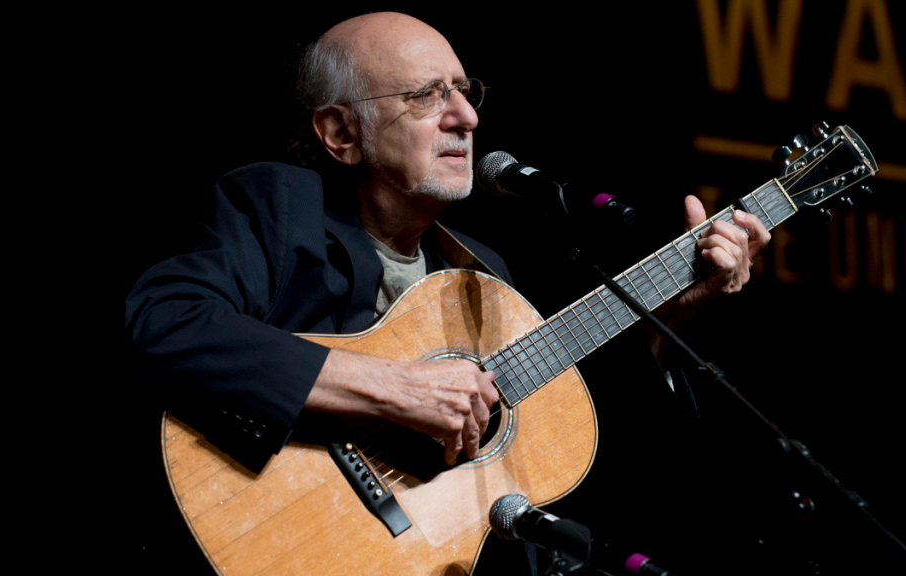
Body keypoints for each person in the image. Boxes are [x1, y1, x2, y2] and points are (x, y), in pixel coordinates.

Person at [126, 6, 769, 536]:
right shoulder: (277, 204)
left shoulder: (480, 272)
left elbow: (564, 422)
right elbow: (167, 324)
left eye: (465, 90)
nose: (467, 117)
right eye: (427, 95)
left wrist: (679, 308)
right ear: (341, 133)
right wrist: (392, 388)